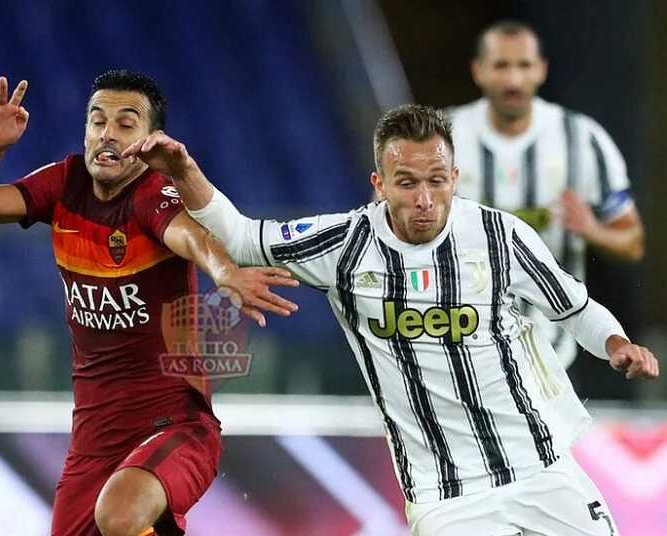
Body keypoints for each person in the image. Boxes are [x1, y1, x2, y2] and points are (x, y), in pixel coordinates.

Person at [122, 104, 658, 535]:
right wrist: (184, 170)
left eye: (436, 181)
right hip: (445, 495)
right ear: (379, 183)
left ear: (455, 177)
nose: (424, 200)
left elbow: (575, 308)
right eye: (406, 183)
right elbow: (241, 238)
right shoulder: (345, 244)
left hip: (541, 467)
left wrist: (614, 343)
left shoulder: (500, 236)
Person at [0, 70, 300, 536]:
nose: (107, 134)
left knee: (120, 514)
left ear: (149, 143)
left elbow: (193, 237)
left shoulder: (153, 195)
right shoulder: (63, 184)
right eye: (97, 121)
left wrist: (227, 272)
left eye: (126, 124)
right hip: (93, 440)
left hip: (175, 427)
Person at [443, 20, 645, 370]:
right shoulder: (444, 137)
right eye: (502, 66)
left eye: (523, 66)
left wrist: (593, 230)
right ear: (479, 71)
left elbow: (633, 243)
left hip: (558, 352)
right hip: (459, 344)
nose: (514, 80)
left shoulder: (582, 139)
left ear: (541, 70)